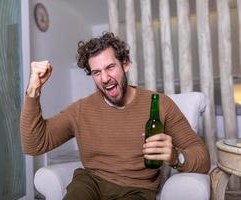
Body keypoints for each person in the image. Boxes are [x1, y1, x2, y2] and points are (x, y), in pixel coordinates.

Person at [20, 32, 210, 200]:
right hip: (90, 183)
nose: (104, 78)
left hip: (136, 190)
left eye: (110, 67)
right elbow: (34, 144)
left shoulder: (159, 104)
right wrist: (33, 90)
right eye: (96, 72)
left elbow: (201, 156)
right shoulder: (81, 110)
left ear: (125, 64)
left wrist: (176, 156)